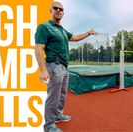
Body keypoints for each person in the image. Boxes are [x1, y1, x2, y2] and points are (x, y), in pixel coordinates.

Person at [35, 1, 98, 132]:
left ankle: (58, 115)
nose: (58, 10)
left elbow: (74, 37)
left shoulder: (62, 30)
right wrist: (42, 69)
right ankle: (49, 126)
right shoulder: (44, 27)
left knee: (62, 94)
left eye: (61, 9)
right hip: (54, 65)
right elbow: (38, 48)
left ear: (63, 13)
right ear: (50, 11)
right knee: (53, 96)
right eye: (55, 8)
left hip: (64, 67)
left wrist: (88, 33)